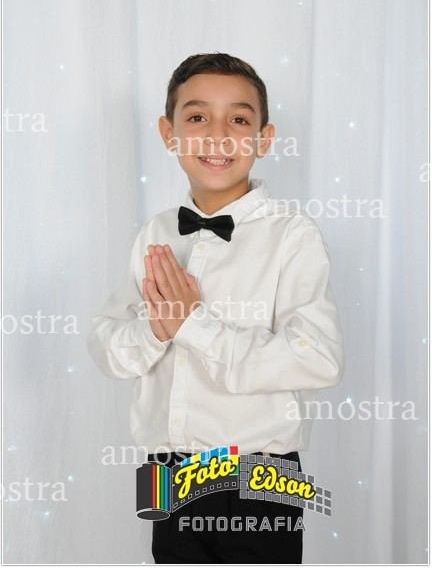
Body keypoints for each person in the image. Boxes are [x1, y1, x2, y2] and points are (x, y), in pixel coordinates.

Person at [87, 52, 344, 564]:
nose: (218, 135)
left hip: (260, 470)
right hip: (163, 469)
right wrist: (157, 331)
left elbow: (318, 358)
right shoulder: (156, 233)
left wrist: (193, 324)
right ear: (169, 133)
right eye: (198, 117)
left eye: (239, 120)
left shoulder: (292, 236)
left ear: (264, 139)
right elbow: (107, 346)